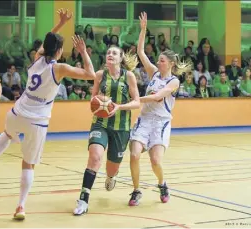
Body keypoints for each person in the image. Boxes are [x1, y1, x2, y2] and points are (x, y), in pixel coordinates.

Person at [0, 9, 96, 220]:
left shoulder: (36, 58)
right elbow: (90, 75)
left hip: (18, 111)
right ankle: (20, 206)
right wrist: (83, 51)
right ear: (59, 51)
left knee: (6, 133)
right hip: (37, 121)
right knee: (28, 163)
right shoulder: (59, 68)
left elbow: (47, 42)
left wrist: (59, 24)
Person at [128, 12, 192, 206]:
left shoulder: (174, 81)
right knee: (134, 154)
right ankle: (136, 190)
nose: (158, 62)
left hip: (161, 123)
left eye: (162, 60)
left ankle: (162, 184)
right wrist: (143, 30)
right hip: (145, 119)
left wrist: (135, 99)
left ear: (171, 64)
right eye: (159, 59)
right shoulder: (154, 73)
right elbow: (140, 52)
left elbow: (156, 97)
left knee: (155, 161)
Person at [73, 45, 141, 215]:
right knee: (95, 157)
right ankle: (83, 200)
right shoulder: (99, 75)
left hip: (121, 128)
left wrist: (119, 106)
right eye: (108, 52)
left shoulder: (129, 76)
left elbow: (137, 102)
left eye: (114, 53)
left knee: (111, 169)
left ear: (121, 58)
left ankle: (111, 176)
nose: (110, 54)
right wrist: (99, 104)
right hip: (100, 123)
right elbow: (93, 99)